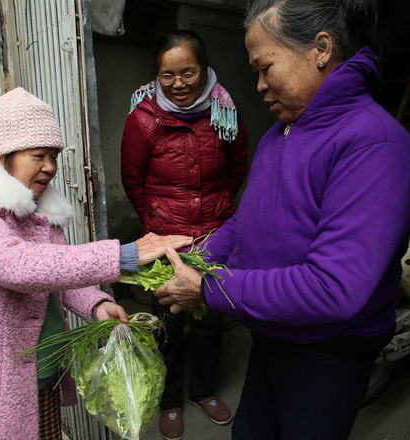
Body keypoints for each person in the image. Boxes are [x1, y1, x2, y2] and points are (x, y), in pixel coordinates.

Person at [154, 1, 410, 439]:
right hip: (274, 336)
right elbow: (245, 225)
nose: (259, 86)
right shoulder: (280, 134)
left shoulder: (375, 146)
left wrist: (207, 287)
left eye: (266, 67)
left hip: (327, 356)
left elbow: (332, 288)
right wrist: (190, 256)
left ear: (321, 48)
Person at [0, 88, 191, 440]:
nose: (50, 167)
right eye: (38, 155)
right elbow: (20, 266)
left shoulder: (37, 213)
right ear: (0, 154)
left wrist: (96, 304)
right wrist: (125, 256)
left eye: (54, 155)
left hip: (40, 374)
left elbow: (56, 279)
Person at [121, 30, 248, 440]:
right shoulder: (143, 118)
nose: (178, 83)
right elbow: (132, 179)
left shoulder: (224, 112)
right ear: (156, 75)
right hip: (165, 241)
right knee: (168, 325)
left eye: (187, 72)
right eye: (167, 75)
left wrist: (220, 209)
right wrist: (155, 221)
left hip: (214, 235)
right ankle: (171, 400)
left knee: (211, 321)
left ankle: (204, 391)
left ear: (204, 69)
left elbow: (238, 167)